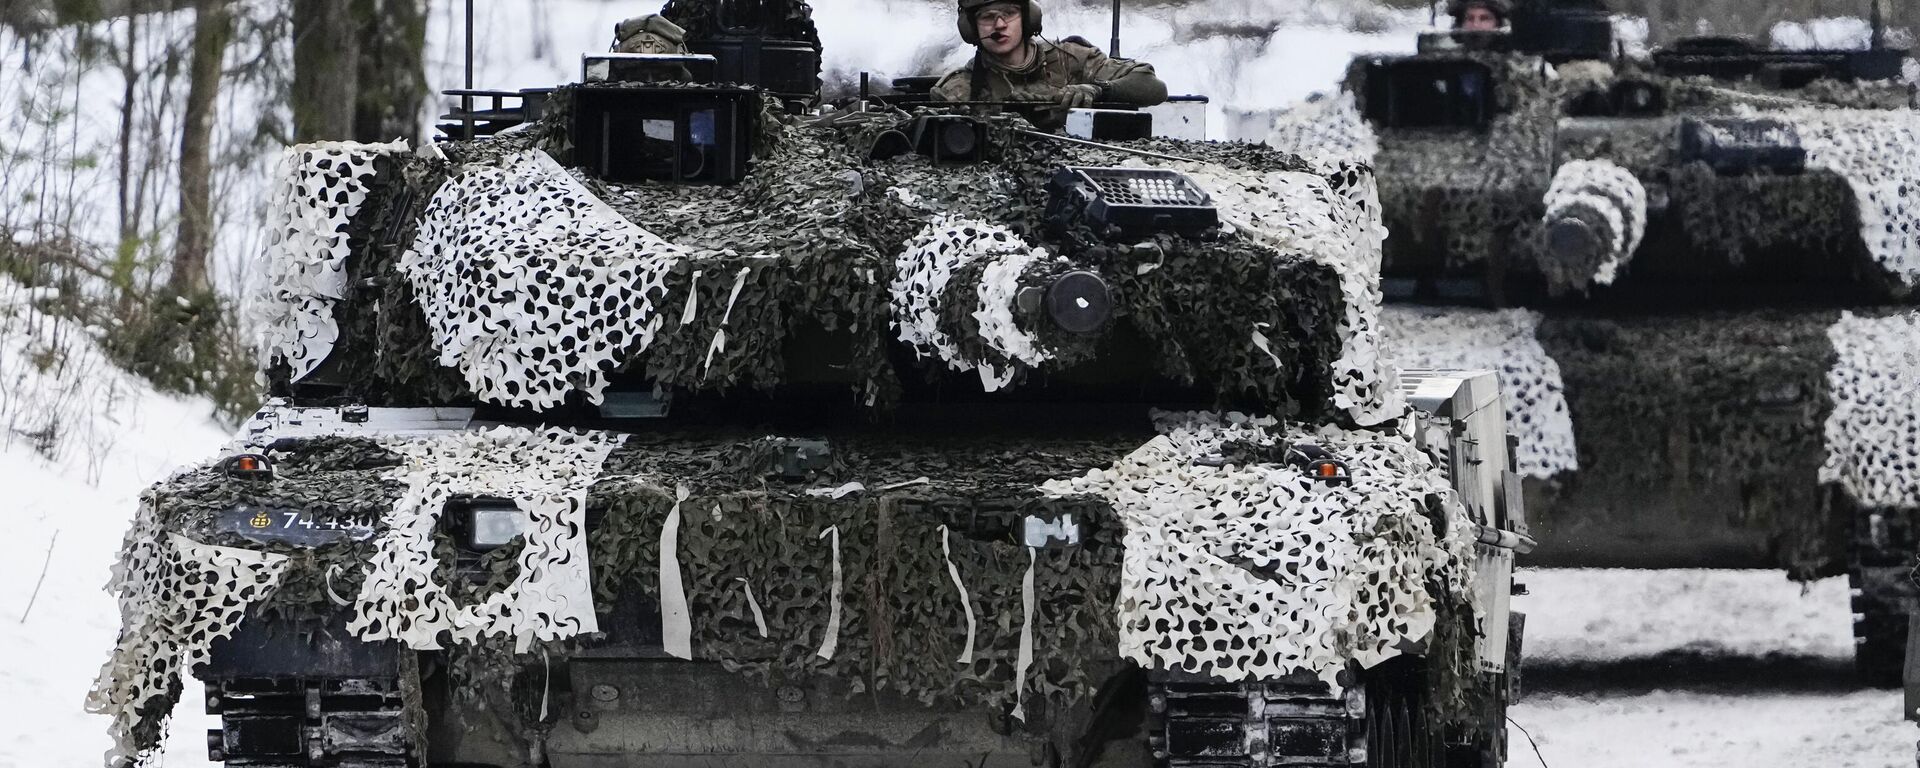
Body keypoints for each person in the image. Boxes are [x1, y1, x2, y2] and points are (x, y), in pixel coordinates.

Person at [931, 0, 1167, 132]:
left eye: (1009, 13)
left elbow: (1152, 87)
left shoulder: (1072, 60)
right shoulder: (958, 91)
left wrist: (1097, 89)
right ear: (971, 28)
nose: (999, 25)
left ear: (1028, 18)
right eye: (987, 17)